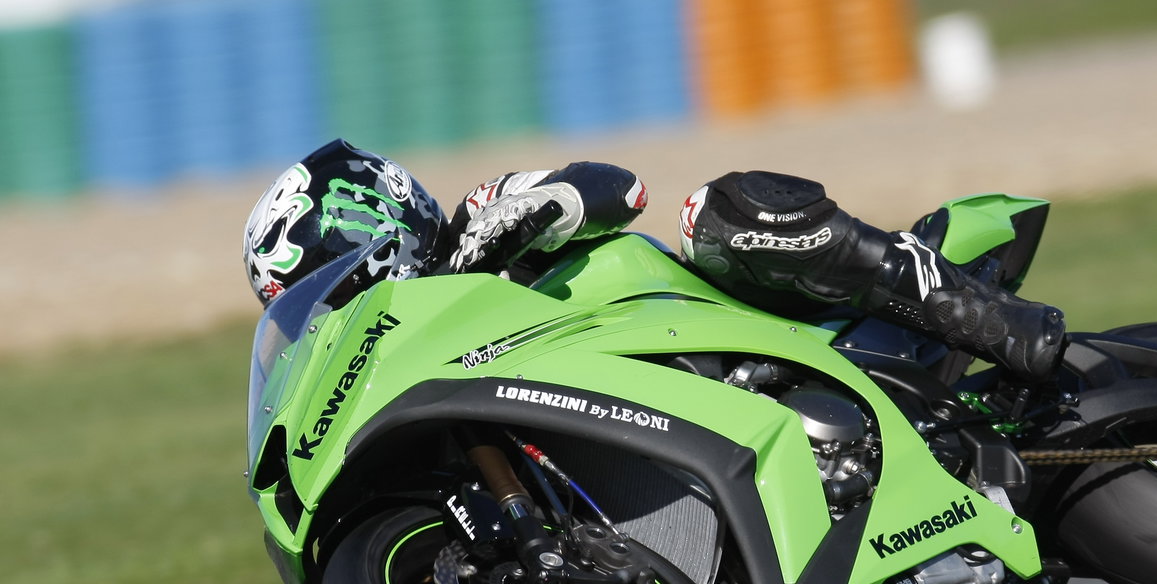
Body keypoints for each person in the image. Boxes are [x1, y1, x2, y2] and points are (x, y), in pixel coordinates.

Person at [243, 139, 1065, 380]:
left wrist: (544, 206)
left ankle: (981, 317)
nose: (331, 311)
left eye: (328, 284)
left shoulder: (479, 221)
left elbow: (622, 188)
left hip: (729, 324)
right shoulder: (406, 369)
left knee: (720, 210)